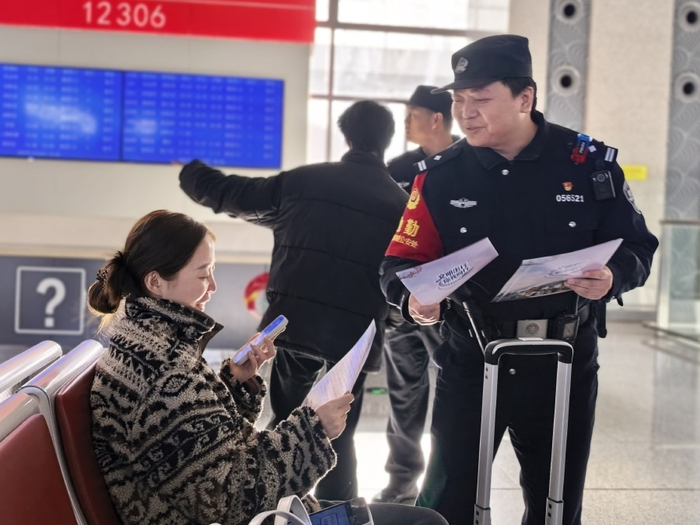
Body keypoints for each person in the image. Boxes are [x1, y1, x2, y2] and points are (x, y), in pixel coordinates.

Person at [379, 35, 659, 525]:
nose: (465, 113)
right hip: (471, 359)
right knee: (447, 502)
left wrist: (612, 276)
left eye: (480, 99)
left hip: (564, 361)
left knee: (556, 504)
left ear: (524, 97)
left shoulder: (589, 164)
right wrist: (413, 300)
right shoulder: (441, 177)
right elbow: (399, 263)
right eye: (458, 100)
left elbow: (637, 247)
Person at [88, 210, 448, 525]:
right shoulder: (163, 370)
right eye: (202, 275)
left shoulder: (147, 346)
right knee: (424, 522)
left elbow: (193, 448)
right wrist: (314, 431)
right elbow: (229, 498)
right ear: (155, 282)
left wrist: (234, 383)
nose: (213, 286)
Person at [178, 101, 408, 501]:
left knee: (286, 421)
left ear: (346, 137)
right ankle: (338, 514)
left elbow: (232, 193)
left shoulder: (303, 182)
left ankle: (277, 507)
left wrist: (190, 171)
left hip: (296, 324)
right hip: (356, 336)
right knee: (340, 432)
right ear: (387, 141)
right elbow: (406, 276)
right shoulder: (400, 204)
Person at [373, 86, 457, 505]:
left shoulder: (467, 164)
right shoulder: (398, 169)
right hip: (403, 303)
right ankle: (402, 479)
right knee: (404, 393)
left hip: (450, 304)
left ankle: (446, 482)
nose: (405, 123)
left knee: (454, 392)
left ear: (436, 119)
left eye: (413, 114)